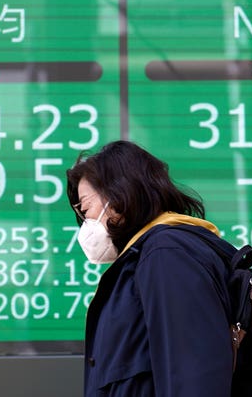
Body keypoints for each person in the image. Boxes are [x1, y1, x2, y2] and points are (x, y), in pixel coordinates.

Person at [66, 140, 233, 396]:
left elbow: (194, 374)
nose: (85, 223)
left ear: (118, 195)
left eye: (85, 209)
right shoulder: (150, 256)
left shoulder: (167, 254)